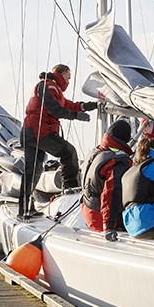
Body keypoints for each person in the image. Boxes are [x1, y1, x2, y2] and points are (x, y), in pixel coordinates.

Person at [19, 64, 98, 215]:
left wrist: (91, 106)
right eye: (68, 78)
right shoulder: (49, 87)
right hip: (39, 132)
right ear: (61, 74)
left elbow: (70, 105)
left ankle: (25, 209)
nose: (68, 82)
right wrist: (76, 116)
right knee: (68, 152)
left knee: (33, 170)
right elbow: (55, 109)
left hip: (31, 132)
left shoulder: (50, 88)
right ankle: (70, 189)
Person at [81, 120, 134, 232]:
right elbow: (112, 193)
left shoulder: (95, 152)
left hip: (88, 213)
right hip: (102, 219)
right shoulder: (118, 160)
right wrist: (109, 227)